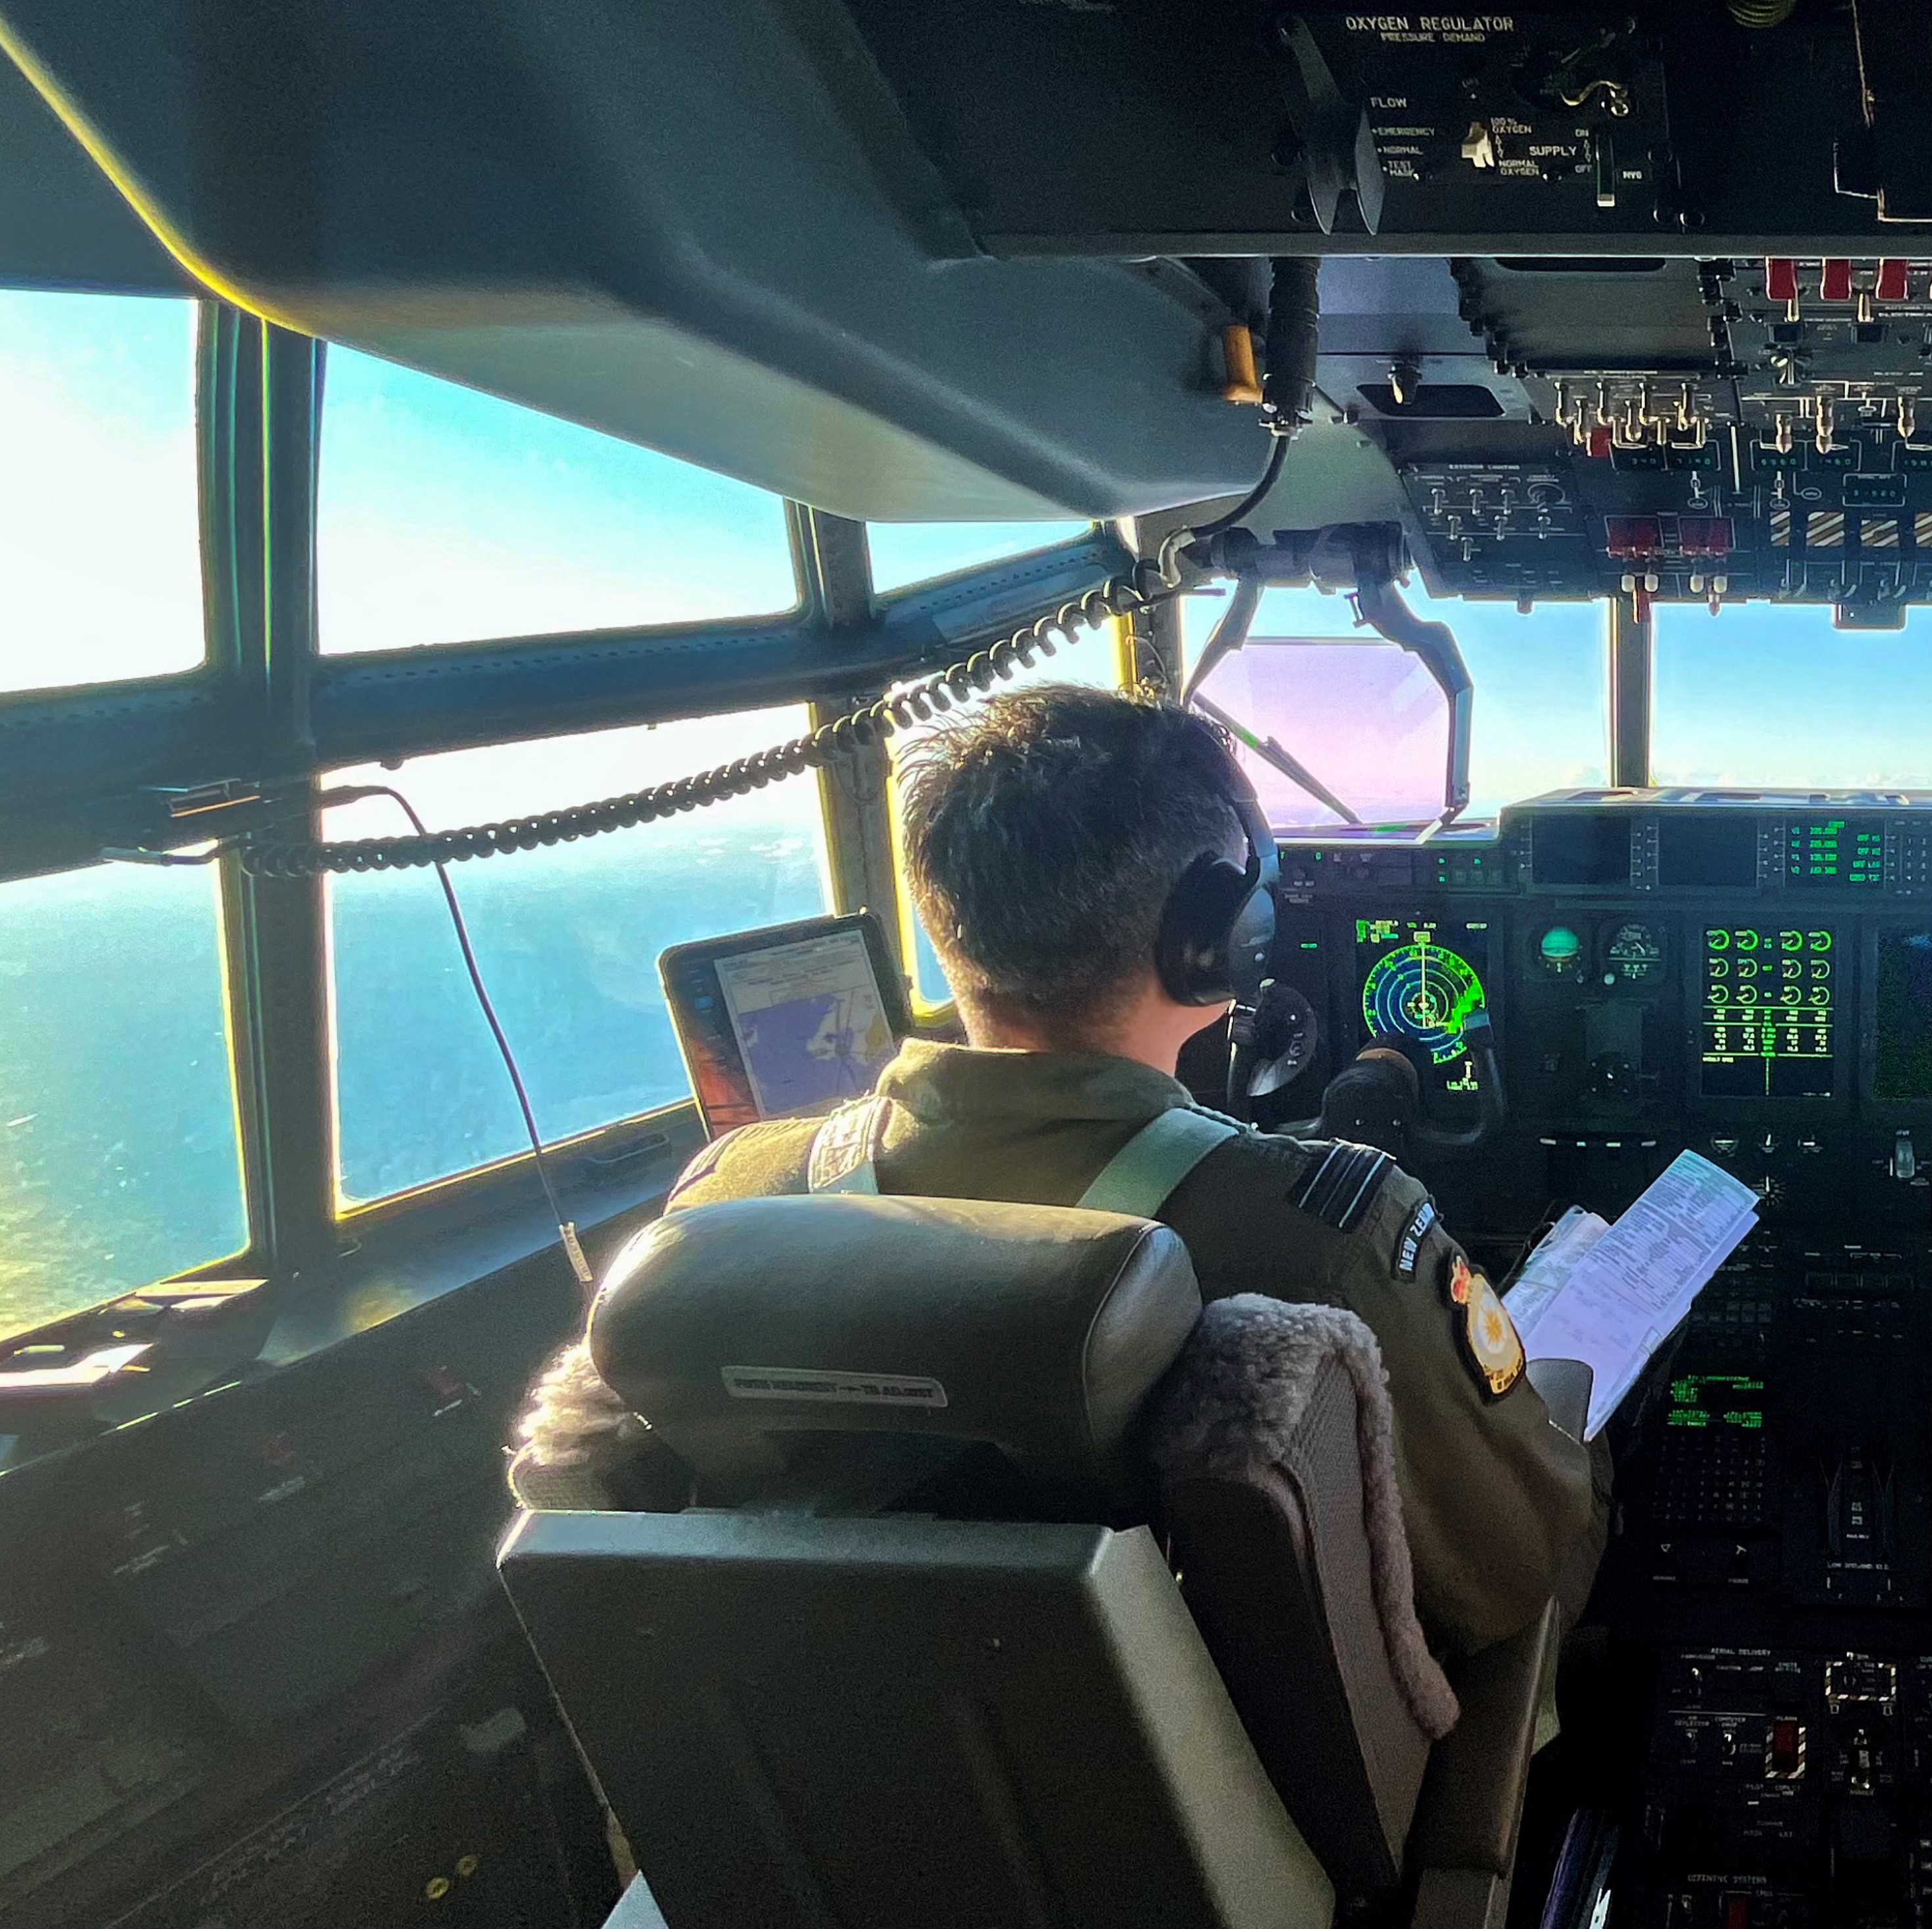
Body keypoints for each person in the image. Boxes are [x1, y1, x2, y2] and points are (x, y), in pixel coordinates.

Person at [539, 686, 1604, 1659]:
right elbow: (1512, 1568)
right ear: (1213, 942)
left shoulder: (728, 1204)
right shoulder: (1323, 1238)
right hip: (1261, 1806)